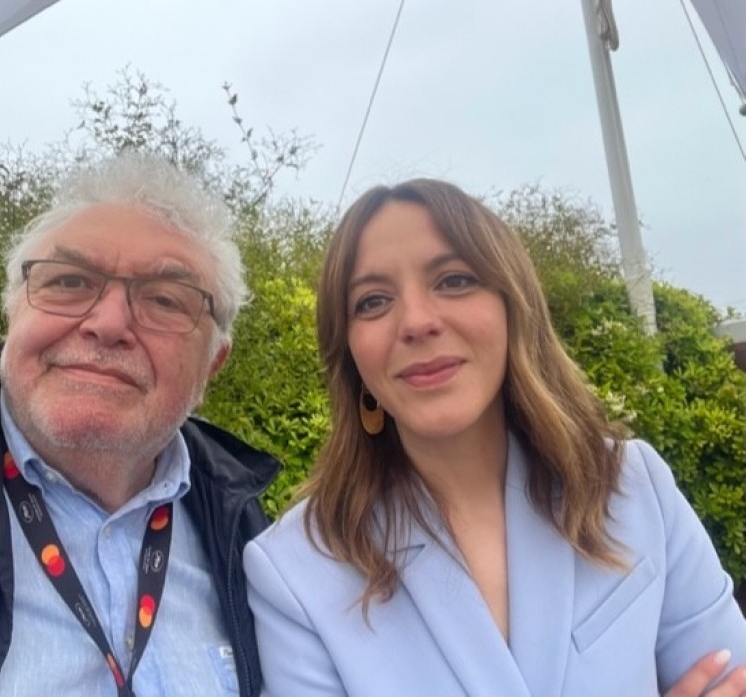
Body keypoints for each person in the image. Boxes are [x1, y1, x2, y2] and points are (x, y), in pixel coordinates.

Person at [243, 178, 746, 697]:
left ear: (514, 308)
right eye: (372, 301)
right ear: (350, 352)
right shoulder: (295, 571)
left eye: (454, 280)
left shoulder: (633, 486)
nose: (416, 321)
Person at [0, 152, 280, 697]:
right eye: (69, 281)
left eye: (164, 300)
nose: (108, 324)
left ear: (212, 365)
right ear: (14, 313)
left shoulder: (251, 539)